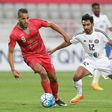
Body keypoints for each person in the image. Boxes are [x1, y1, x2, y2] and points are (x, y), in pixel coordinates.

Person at [8, 8, 70, 106]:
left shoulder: (35, 23)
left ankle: (56, 98)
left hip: (43, 54)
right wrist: (13, 69)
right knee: (43, 72)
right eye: (23, 19)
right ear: (18, 19)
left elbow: (51, 24)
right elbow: (10, 52)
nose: (26, 21)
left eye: (27, 18)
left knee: (53, 78)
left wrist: (65, 34)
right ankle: (50, 99)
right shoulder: (14, 34)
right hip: (30, 56)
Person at [48, 14, 112, 105]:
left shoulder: (100, 33)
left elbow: (110, 43)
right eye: (84, 25)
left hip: (102, 60)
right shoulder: (80, 35)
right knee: (76, 76)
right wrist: (54, 49)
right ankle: (79, 95)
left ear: (92, 24)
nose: (86, 27)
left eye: (88, 24)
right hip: (89, 61)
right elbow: (68, 42)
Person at [91, 3, 112, 91]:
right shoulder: (91, 19)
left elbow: (110, 27)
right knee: (101, 60)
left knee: (103, 61)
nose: (97, 10)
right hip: (96, 42)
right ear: (92, 10)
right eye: (95, 8)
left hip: (104, 41)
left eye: (98, 8)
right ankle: (95, 82)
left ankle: (95, 80)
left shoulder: (104, 17)